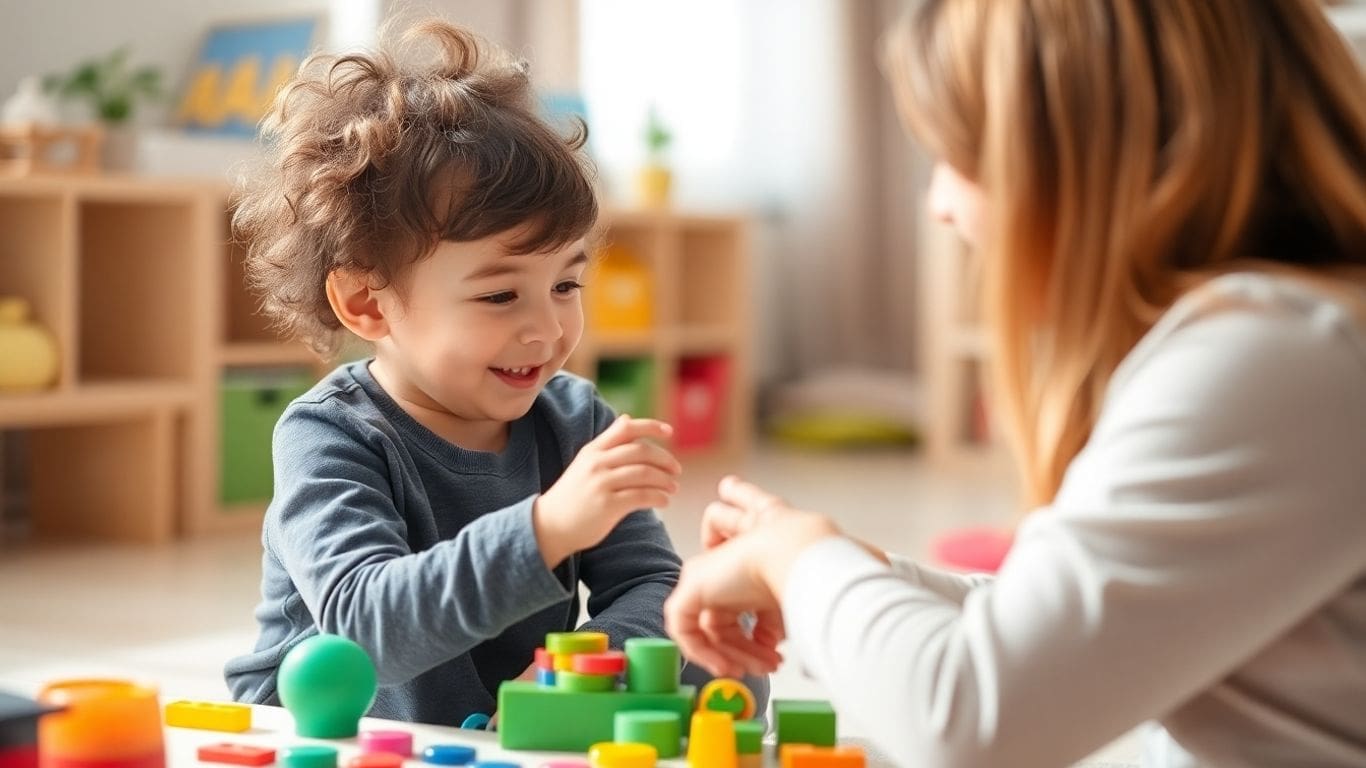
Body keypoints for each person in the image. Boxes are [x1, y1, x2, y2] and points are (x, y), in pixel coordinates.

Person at [664, 1, 1366, 765]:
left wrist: (800, 560)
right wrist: (850, 578)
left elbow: (968, 719)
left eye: (957, 157)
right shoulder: (1284, 341)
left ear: (1086, 154)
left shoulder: (1269, 358)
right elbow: (1063, 634)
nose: (939, 204)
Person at [223, 20, 715, 726]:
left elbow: (648, 580)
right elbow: (369, 632)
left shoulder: (575, 422)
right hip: (350, 730)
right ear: (367, 302)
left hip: (507, 726)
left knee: (710, 654)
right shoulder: (327, 436)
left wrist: (583, 667)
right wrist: (546, 527)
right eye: (498, 295)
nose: (547, 329)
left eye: (566, 286)